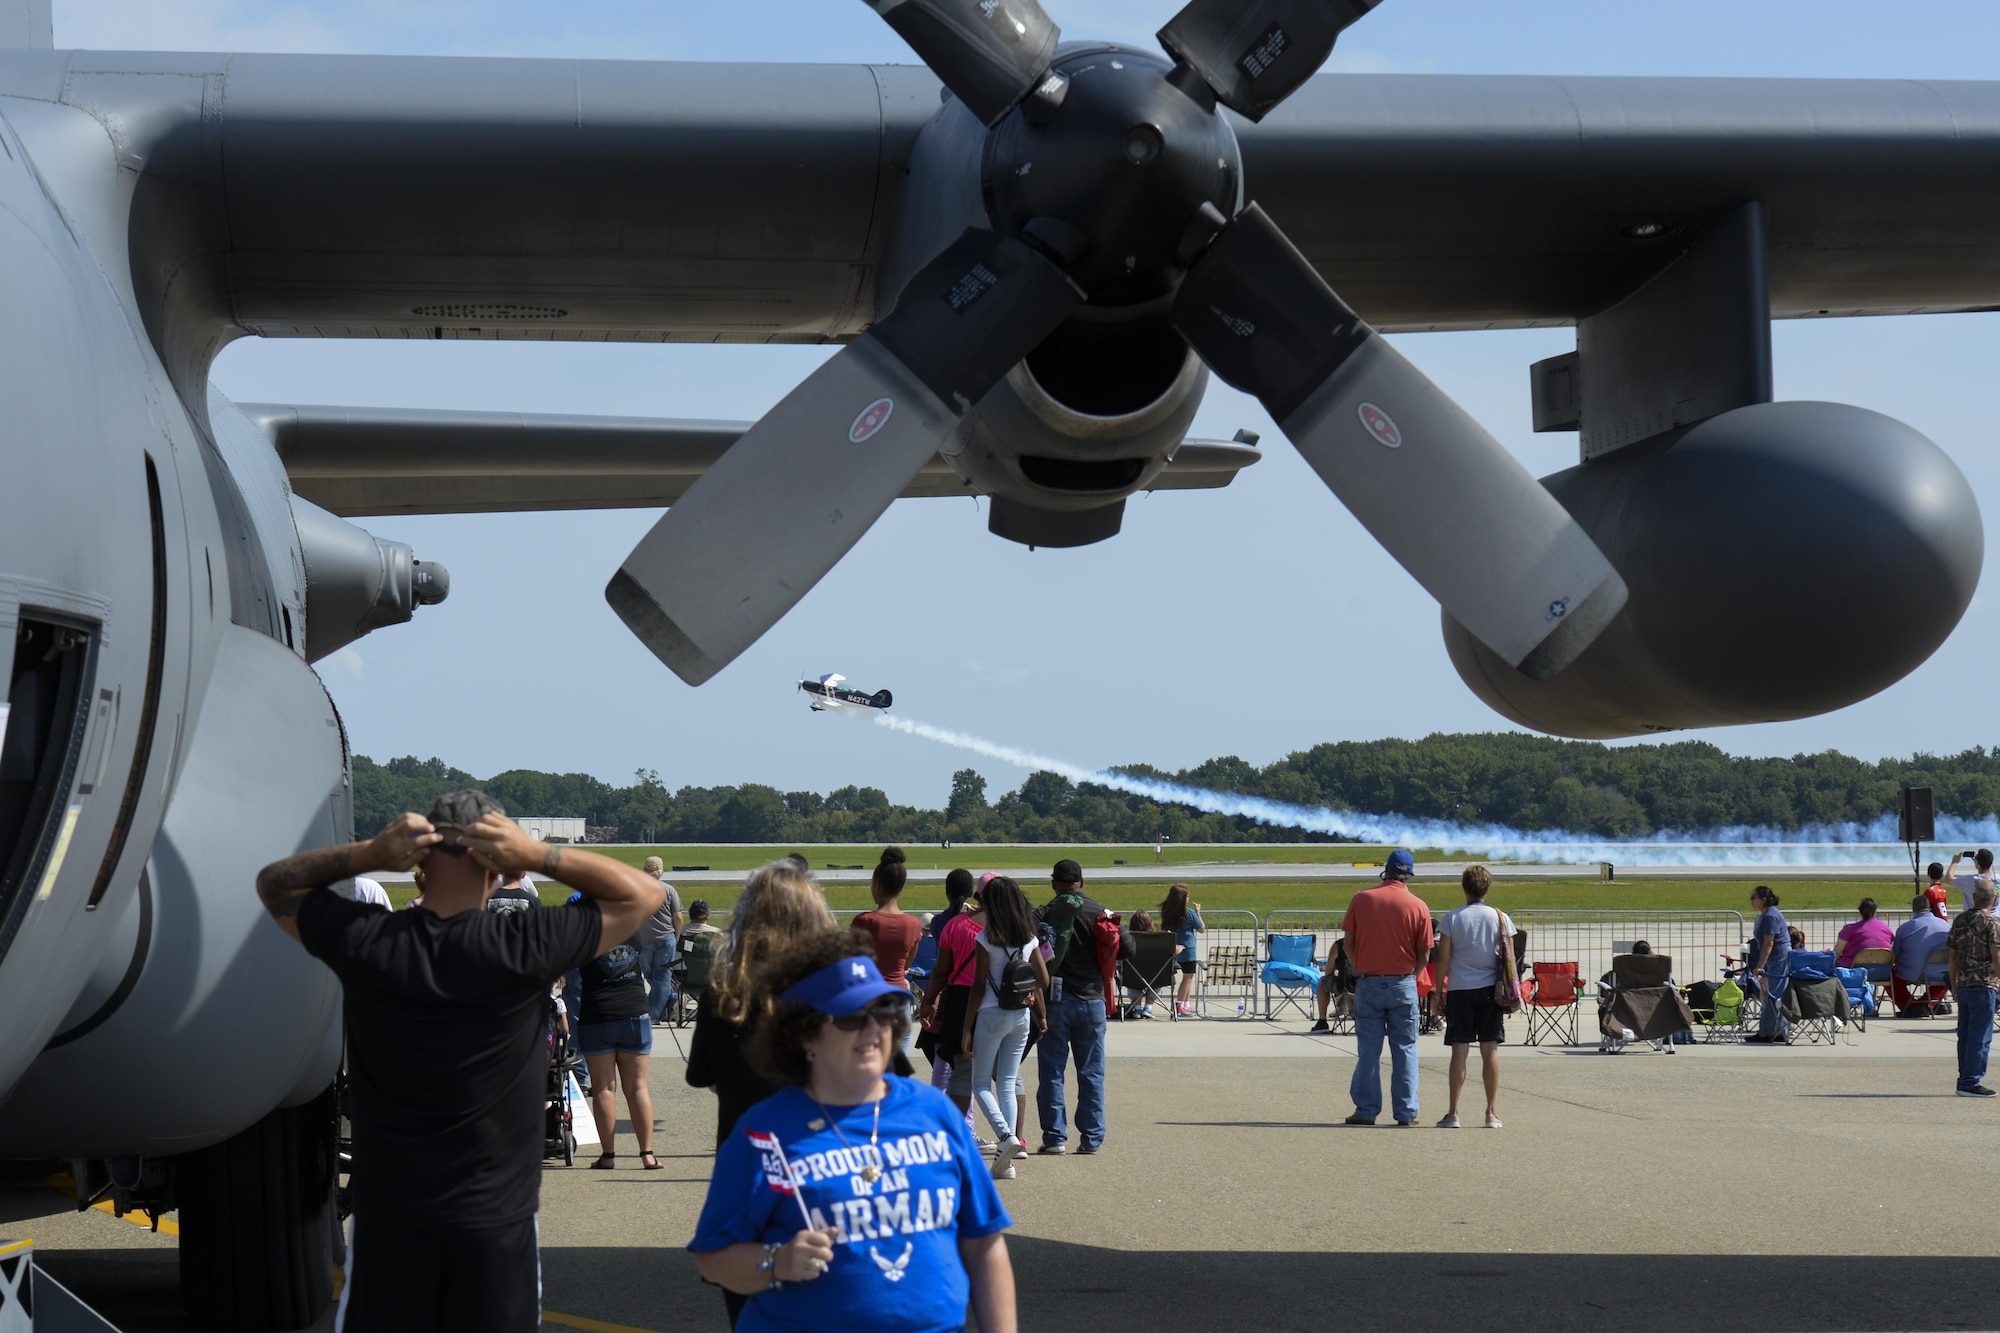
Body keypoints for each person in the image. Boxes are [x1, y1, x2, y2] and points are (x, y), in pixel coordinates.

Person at [254, 792, 660, 1333]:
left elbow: (276, 885)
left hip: (391, 1219)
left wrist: (370, 853)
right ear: (497, 866)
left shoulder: (371, 941)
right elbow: (646, 894)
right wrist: (537, 854)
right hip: (496, 1220)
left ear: (418, 863)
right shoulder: (526, 944)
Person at [688, 930, 1018, 1333]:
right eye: (851, 1016)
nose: (873, 1028)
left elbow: (984, 1244)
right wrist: (776, 1262)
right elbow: (714, 1256)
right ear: (806, 1033)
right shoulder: (764, 1133)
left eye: (885, 1011)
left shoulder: (933, 1112)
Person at [687, 862, 834, 1329]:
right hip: (828, 1171)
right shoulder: (841, 997)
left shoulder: (722, 995)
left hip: (748, 1173)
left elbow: (707, 1078)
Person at [1034, 860, 1133, 1155]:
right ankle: (1091, 1137)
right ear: (1082, 881)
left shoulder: (1046, 913)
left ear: (1054, 883)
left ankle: (1055, 1138)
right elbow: (1128, 948)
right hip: (1091, 1000)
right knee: (1091, 1072)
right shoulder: (1098, 911)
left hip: (1055, 1000)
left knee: (1051, 1071)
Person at [960, 876, 1048, 1178]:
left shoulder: (986, 938)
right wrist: (1038, 1009)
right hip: (1021, 1015)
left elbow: (977, 986)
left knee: (981, 1083)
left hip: (990, 1014)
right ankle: (1006, 1161)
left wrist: (966, 1028)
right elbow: (1044, 980)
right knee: (1007, 1083)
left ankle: (1005, 1137)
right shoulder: (1029, 937)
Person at [1338, 850, 1431, 1126]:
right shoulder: (1418, 906)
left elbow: (1348, 943)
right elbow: (1425, 951)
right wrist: (1413, 975)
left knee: (1368, 1049)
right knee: (1405, 1048)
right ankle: (1406, 1111)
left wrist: (1359, 967)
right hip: (1403, 981)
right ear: (1409, 874)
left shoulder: (1362, 898)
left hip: (1369, 981)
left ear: (1386, 871)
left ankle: (1366, 1110)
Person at [1432, 865, 1513, 1129]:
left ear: (1464, 888)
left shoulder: (1452, 919)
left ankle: (1453, 1112)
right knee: (1490, 1050)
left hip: (1460, 989)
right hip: (1491, 989)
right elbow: (1509, 957)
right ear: (1487, 889)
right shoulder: (1500, 917)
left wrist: (1438, 992)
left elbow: (1442, 958)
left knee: (1460, 1050)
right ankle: (1491, 1112)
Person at [578, 919, 659, 1171]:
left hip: (597, 1013)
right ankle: (647, 1154)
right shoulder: (631, 927)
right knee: (637, 1087)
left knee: (603, 1088)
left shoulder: (584, 933)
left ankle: (608, 1154)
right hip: (634, 1010)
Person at [923, 889, 985, 1122]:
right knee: (1002, 1079)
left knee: (950, 1065)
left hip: (953, 997)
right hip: (986, 1000)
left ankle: (949, 1126)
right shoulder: (1002, 927)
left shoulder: (944, 922)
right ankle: (1006, 1135)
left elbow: (941, 969)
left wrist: (929, 1000)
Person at [854, 848, 924, 1056]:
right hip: (900, 999)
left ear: (877, 884)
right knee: (896, 1072)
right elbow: (905, 965)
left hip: (870, 999)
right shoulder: (913, 924)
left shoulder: (864, 921)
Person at [1948, 881, 2000, 1097]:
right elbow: (1996, 957)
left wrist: (1954, 986)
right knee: (1981, 1036)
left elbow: (1952, 957)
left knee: (1966, 1035)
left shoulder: (1960, 920)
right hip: (1984, 984)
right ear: (1993, 900)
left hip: (1965, 984)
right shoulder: (1991, 923)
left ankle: (1965, 1076)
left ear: (1974, 898)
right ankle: (1970, 1081)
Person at [636, 856, 685, 1026]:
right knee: (661, 977)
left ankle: (653, 1014)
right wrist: (676, 937)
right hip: (666, 939)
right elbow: (678, 917)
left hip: (644, 940)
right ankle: (673, 1001)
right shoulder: (669, 890)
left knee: (654, 976)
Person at [1892, 893, 1954, 1015]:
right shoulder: (1945, 925)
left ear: (1913, 910)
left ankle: (1909, 1007)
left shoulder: (1905, 928)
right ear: (1930, 907)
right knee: (1948, 977)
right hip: (1941, 972)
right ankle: (1926, 1004)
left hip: (1914, 973)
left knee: (1889, 977)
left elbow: (1895, 956)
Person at [1160, 884, 1204, 1017]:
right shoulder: (1189, 913)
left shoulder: (1167, 913)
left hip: (1175, 947)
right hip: (1189, 949)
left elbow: (1164, 930)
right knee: (1187, 977)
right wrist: (1198, 914)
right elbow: (1202, 928)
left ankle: (1186, 1004)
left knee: (1188, 977)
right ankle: (1179, 1004)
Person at [1834, 898, 1894, 970]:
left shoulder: (1849, 929)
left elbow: (1837, 953)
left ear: (1860, 912)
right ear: (1875, 912)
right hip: (1883, 971)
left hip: (1854, 971)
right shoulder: (1886, 928)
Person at [1124, 909, 1159, 1019]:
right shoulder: (1158, 940)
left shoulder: (1127, 939)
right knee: (1159, 976)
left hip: (1133, 977)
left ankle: (1137, 1007)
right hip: (1155, 977)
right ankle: (1148, 1006)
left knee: (1130, 974)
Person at [1949, 849, 1997, 916]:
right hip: (1995, 920)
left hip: (1974, 920)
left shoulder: (1971, 880)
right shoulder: (1997, 879)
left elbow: (1948, 879)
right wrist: (1977, 862)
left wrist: (1955, 862)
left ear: (1978, 863)